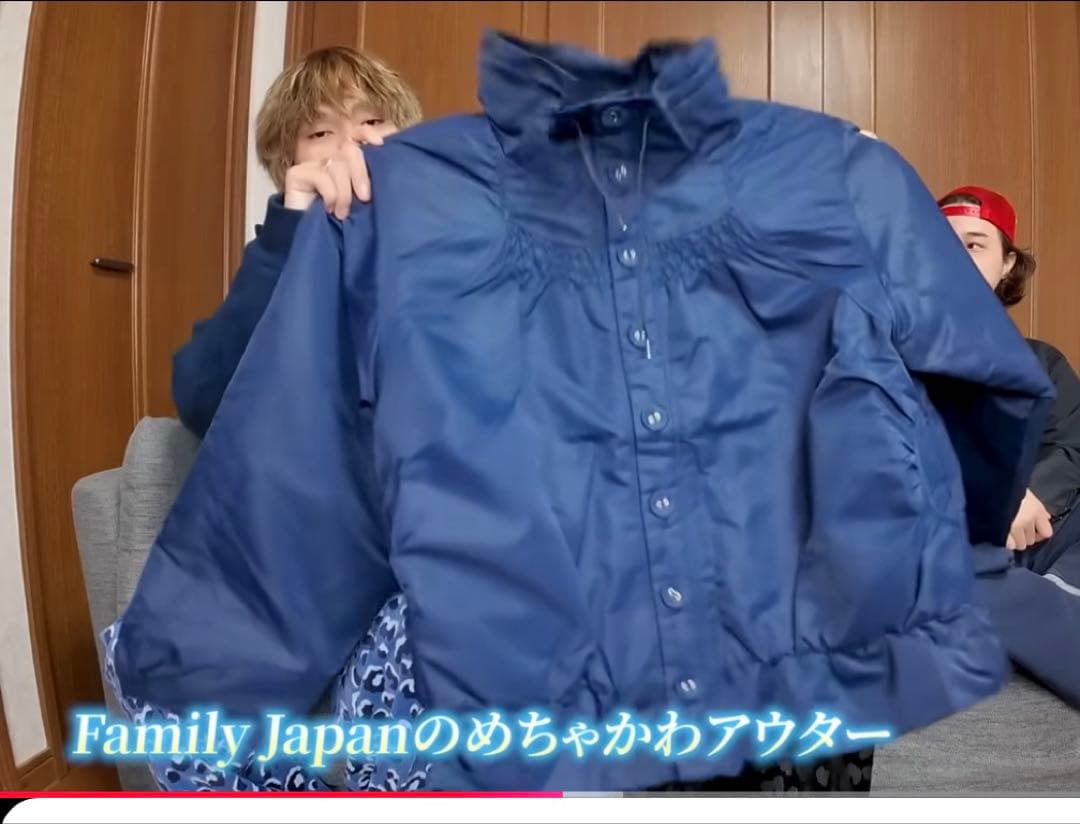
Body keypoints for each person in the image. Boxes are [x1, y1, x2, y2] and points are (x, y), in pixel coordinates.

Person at [172, 45, 422, 437]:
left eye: (373, 120)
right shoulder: (274, 259)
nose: (351, 145)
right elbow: (202, 402)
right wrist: (290, 237)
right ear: (290, 162)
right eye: (320, 132)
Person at [938, 184, 1080, 708]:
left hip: (1041, 536)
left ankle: (1044, 605)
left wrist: (1032, 495)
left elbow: (1072, 446)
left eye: (974, 244)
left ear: (1007, 264)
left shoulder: (1044, 363)